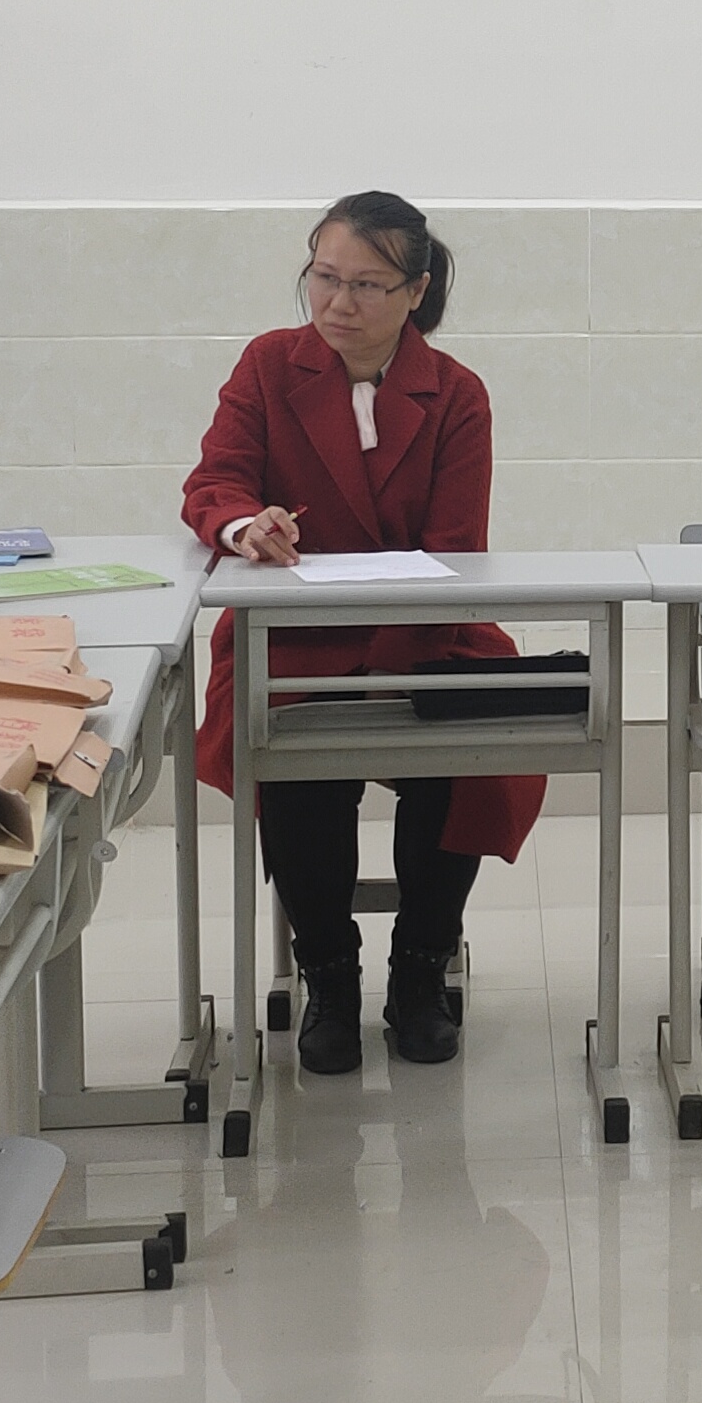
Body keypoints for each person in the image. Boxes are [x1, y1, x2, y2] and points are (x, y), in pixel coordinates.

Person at [184, 192, 541, 1077]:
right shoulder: (268, 366)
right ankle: (329, 979)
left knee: (470, 754)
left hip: (426, 633)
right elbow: (215, 483)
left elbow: (456, 551)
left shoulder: (456, 393)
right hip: (292, 638)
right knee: (295, 757)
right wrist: (246, 527)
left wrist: (387, 667)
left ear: (415, 292)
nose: (338, 303)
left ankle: (421, 968)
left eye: (367, 285)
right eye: (324, 277)